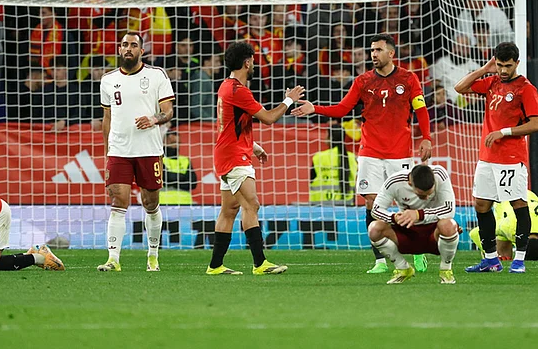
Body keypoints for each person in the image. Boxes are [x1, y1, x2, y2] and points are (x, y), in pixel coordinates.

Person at [292, 34, 433, 274]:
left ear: (391, 53)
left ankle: (418, 252)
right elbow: (342, 109)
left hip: (399, 153)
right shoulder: (363, 81)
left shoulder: (409, 79)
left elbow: (421, 109)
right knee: (371, 202)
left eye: (378, 50)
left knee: (406, 201)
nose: (374, 55)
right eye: (372, 51)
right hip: (370, 152)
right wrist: (314, 108)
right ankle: (380, 259)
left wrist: (427, 137)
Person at [206, 41, 304, 275]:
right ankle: (260, 263)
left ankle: (215, 265)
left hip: (229, 151)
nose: (254, 64)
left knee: (229, 210)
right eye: (252, 59)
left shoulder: (226, 86)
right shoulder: (238, 91)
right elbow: (269, 118)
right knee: (252, 204)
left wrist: (254, 146)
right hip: (234, 156)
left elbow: (229, 125)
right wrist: (289, 100)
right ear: (247, 62)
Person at [454, 42, 538, 274]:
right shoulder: (492, 82)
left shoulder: (526, 89)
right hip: (487, 158)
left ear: (517, 64)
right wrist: (485, 69)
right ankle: (491, 260)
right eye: (500, 65)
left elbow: (536, 124)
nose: (503, 71)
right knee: (481, 205)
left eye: (508, 66)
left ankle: (519, 259)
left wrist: (503, 132)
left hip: (511, 157)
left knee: (517, 204)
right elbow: (459, 88)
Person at [98, 32, 175, 272]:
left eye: (133, 45)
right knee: (118, 201)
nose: (128, 48)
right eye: (124, 45)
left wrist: (153, 119)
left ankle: (153, 255)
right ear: (119, 49)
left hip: (148, 149)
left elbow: (168, 111)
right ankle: (113, 259)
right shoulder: (108, 80)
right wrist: (107, 151)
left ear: (142, 51)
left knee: (150, 203)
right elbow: (107, 117)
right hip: (119, 150)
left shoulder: (156, 75)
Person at [369, 164, 459, 284]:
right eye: (422, 195)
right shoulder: (395, 181)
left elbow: (449, 209)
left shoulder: (439, 174)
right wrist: (394, 218)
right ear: (410, 183)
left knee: (449, 225)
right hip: (407, 232)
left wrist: (418, 214)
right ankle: (403, 268)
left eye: (430, 194)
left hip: (433, 233)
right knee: (374, 229)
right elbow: (376, 210)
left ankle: (446, 270)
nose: (427, 198)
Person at [469, 190, 538, 261]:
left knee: (505, 258)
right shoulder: (509, 227)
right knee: (501, 255)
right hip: (504, 201)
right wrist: (491, 253)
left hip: (528, 195)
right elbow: (475, 233)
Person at [161, 131, 198, 205]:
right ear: (165, 142)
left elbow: (193, 183)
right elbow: (164, 178)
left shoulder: (185, 160)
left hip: (186, 203)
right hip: (164, 202)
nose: (176, 146)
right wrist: (182, 177)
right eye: (173, 142)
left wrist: (172, 179)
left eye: (178, 143)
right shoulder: (159, 159)